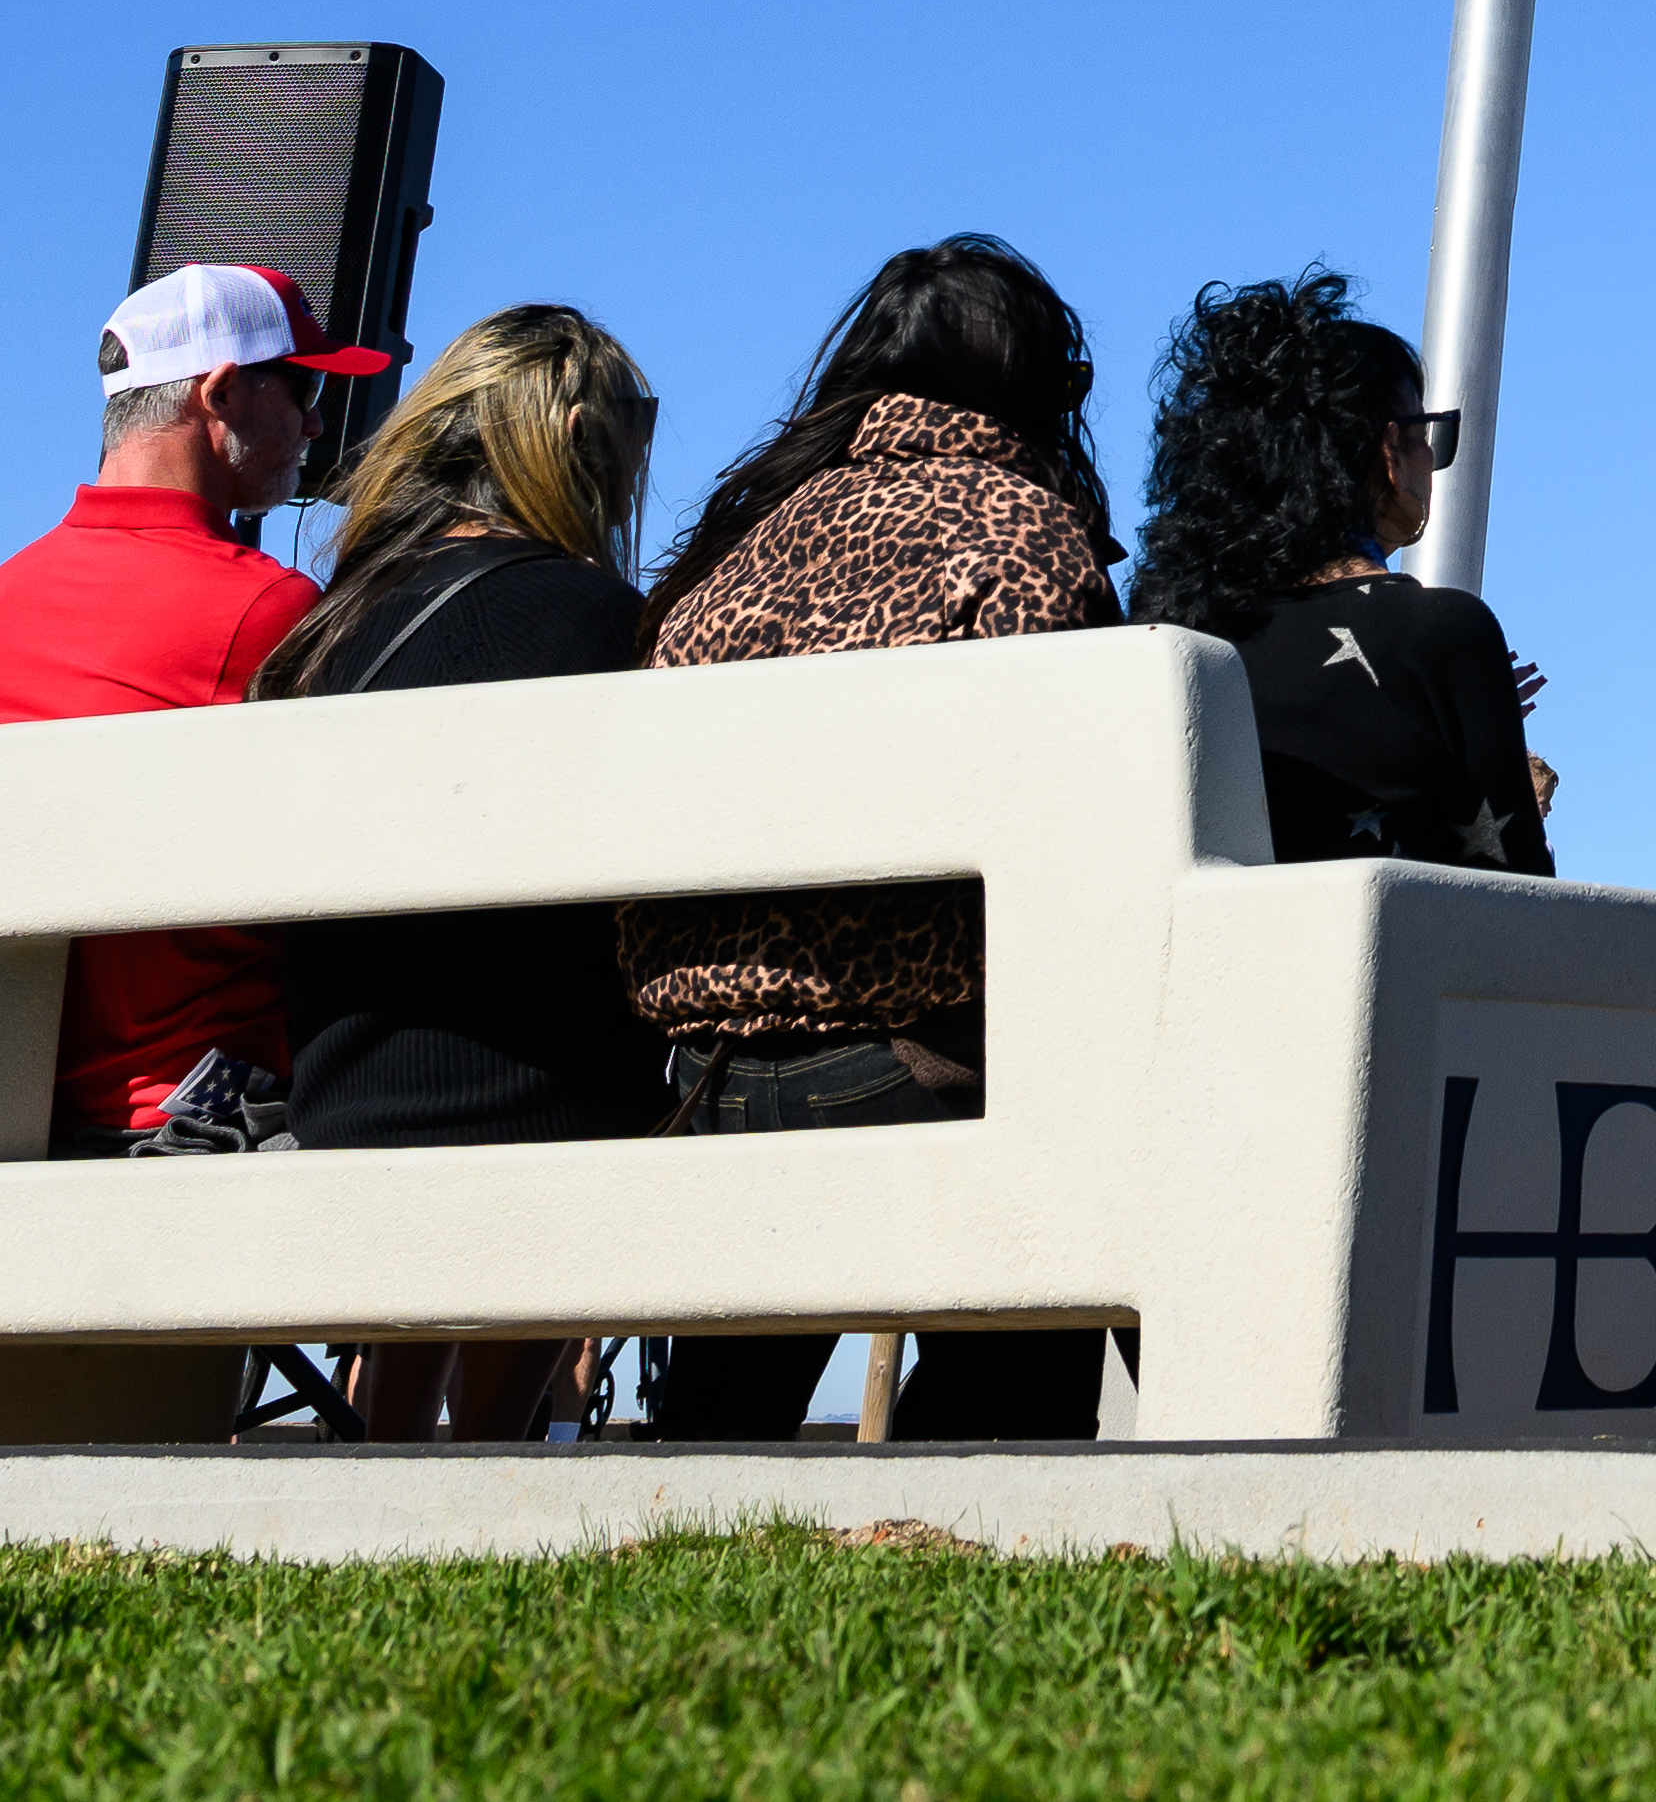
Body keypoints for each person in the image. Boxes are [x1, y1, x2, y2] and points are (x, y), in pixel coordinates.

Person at [624, 238, 1120, 1445]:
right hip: (909, 1064)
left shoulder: (738, 548)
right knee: (1083, 1167)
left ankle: (693, 1486)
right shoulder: (1026, 538)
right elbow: (1081, 847)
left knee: (727, 1414)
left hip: (709, 1077)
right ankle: (976, 1489)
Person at [253, 307, 662, 1445]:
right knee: (565, 1031)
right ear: (580, 433)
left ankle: (382, 1440)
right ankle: (489, 1450)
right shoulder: (605, 619)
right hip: (549, 1106)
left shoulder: (325, 632)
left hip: (348, 1093)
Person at [0, 262, 394, 1156]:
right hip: (211, 1116)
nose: (315, 422)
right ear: (221, 393)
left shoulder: (0, 601)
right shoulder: (266, 606)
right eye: (303, 387)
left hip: (28, 1114)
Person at [1128, 277, 1546, 875]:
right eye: (1428, 436)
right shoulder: (1444, 633)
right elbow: (1523, 896)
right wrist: (1470, 696)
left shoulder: (1170, 635)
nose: (1433, 460)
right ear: (1389, 452)